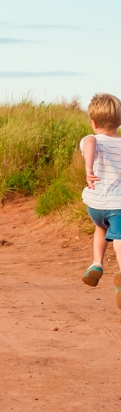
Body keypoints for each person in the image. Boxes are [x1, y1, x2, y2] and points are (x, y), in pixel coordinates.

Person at [78, 93, 121, 308]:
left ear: (93, 123)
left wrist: (88, 169)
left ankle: (97, 264)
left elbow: (90, 141)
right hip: (118, 204)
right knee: (120, 235)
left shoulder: (90, 139)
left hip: (95, 205)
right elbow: (92, 141)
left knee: (101, 227)